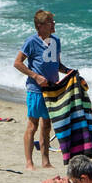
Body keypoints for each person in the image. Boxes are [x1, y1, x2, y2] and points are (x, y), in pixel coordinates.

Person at [13, 9, 69, 171]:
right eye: (50, 22)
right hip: (35, 90)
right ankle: (29, 162)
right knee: (33, 125)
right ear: (40, 26)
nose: (53, 24)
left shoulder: (56, 41)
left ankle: (45, 161)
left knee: (47, 126)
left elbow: (57, 64)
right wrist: (35, 76)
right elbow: (17, 63)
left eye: (53, 21)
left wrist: (68, 72)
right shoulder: (31, 42)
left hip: (53, 90)